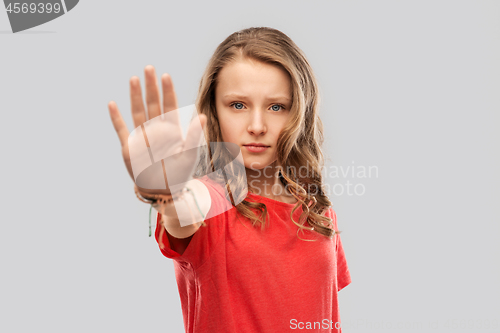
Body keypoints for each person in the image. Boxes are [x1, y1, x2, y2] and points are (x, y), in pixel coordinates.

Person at [108, 26, 351, 333]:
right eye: (238, 105)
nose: (257, 125)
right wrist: (167, 193)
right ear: (214, 111)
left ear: (298, 113)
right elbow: (184, 211)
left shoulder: (318, 212)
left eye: (277, 107)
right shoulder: (208, 202)